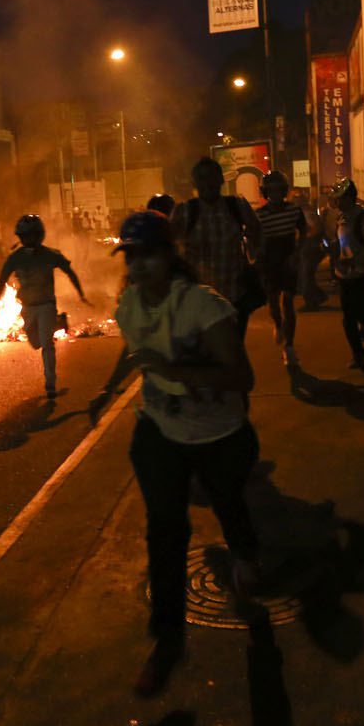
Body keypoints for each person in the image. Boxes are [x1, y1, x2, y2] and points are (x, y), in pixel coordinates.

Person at [88, 210, 260, 698]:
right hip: (160, 432)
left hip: (219, 435)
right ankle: (168, 643)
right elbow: (135, 349)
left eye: (148, 254)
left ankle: (247, 555)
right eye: (131, 256)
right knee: (165, 534)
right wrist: (107, 390)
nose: (138, 265)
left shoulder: (202, 307)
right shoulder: (130, 306)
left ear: (169, 255)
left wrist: (176, 370)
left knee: (230, 504)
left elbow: (241, 377)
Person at [0, 213, 91, 400]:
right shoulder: (15, 258)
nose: (28, 240)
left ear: (39, 235)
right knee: (34, 341)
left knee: (46, 344)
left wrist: (81, 294)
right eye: (24, 236)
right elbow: (0, 281)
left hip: (46, 305)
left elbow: (70, 272)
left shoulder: (50, 254)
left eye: (31, 236)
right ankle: (59, 322)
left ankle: (50, 383)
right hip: (28, 307)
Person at [171, 157, 263, 340]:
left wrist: (255, 261)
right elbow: (168, 247)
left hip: (234, 298)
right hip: (198, 302)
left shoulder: (237, 205)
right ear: (194, 183)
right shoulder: (185, 211)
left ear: (221, 179)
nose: (208, 183)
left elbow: (257, 233)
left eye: (212, 177)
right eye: (202, 178)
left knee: (234, 353)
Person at [255, 172, 308, 366]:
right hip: (269, 262)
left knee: (288, 301)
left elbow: (303, 230)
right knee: (274, 303)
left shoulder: (294, 210)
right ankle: (277, 324)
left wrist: (297, 253)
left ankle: (289, 347)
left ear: (283, 190)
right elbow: (255, 238)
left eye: (278, 189)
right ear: (266, 192)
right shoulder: (260, 215)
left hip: (288, 260)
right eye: (271, 190)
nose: (275, 193)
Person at [328, 178, 364, 367]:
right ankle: (358, 355)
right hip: (345, 276)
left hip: (362, 276)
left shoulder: (363, 217)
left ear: (351, 197)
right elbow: (342, 243)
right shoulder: (341, 219)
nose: (337, 202)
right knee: (349, 319)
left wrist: (358, 262)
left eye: (340, 198)